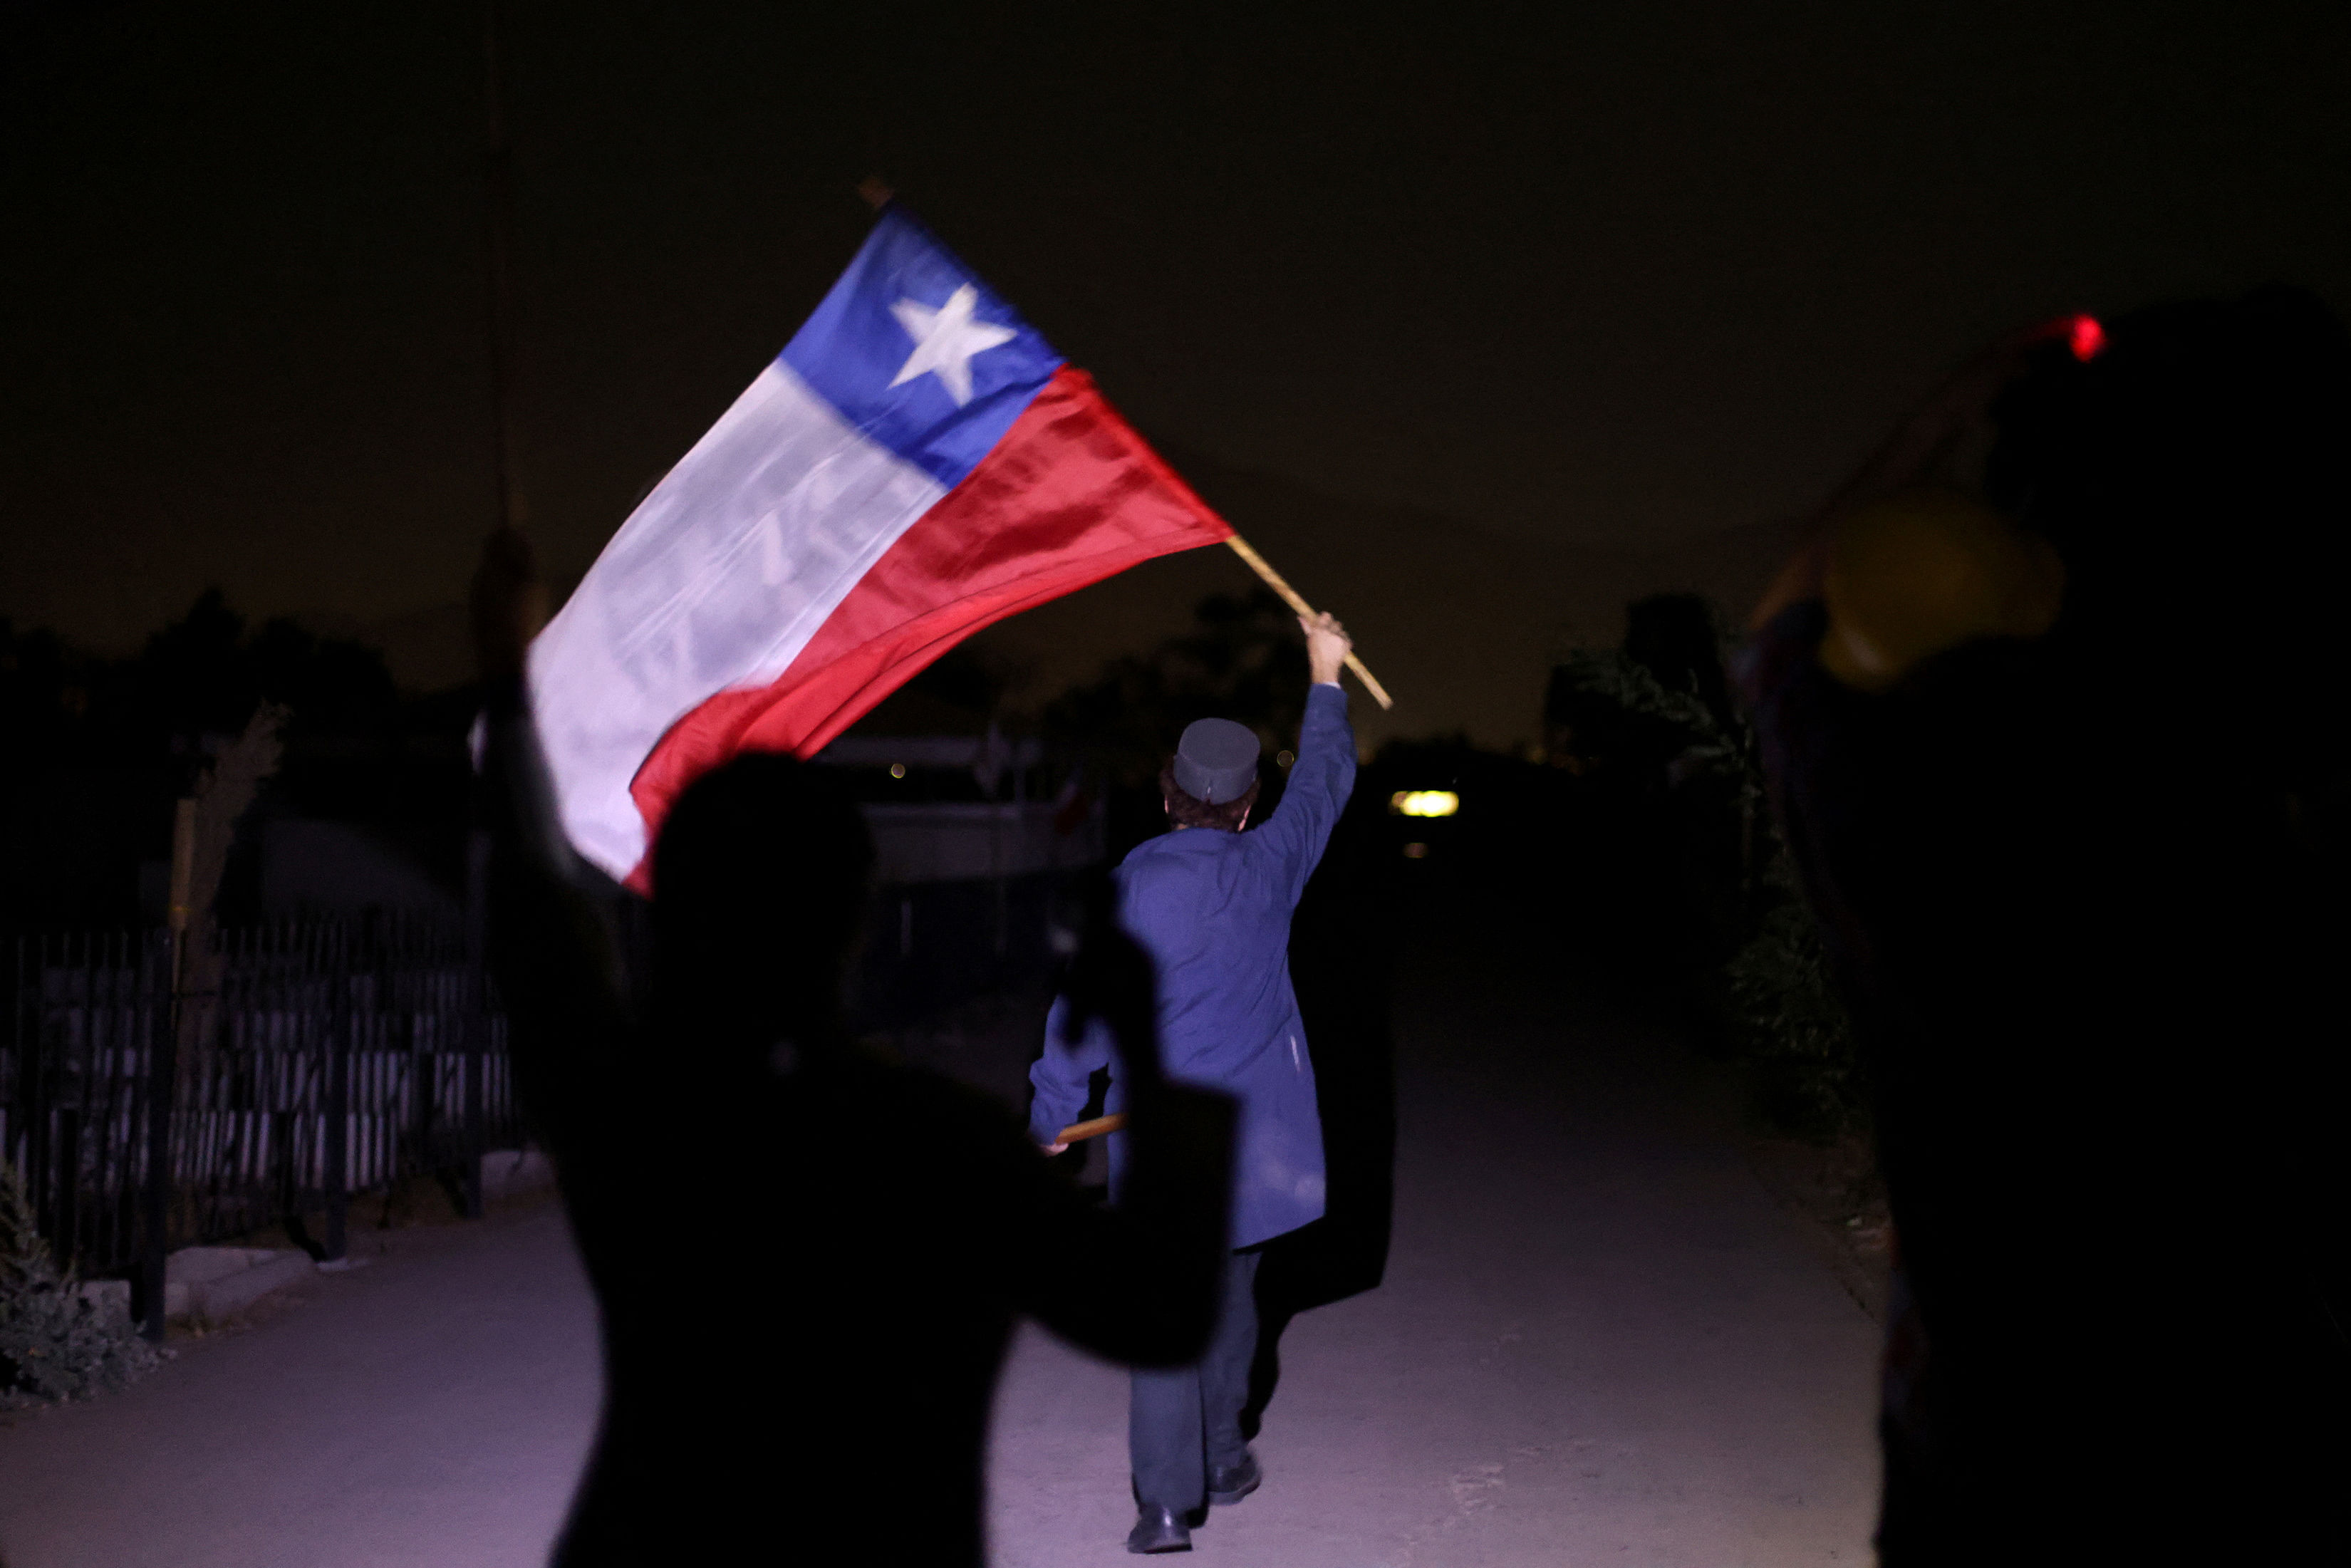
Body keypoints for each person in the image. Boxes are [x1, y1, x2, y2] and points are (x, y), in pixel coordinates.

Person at [468, 529, 1237, 1567]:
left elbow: (537, 923)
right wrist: (1145, 1043)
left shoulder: (639, 1121)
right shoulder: (946, 1147)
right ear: (856, 923)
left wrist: (509, 681)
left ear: (675, 912)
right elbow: (1161, 1312)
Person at [1737, 291, 2347, 1562]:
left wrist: (1948, 410)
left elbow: (1778, 633)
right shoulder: (2255, 828)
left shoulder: (1884, 807)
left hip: (1989, 1448)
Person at [1029, 611, 1359, 1554]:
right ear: (1248, 802)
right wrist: (1325, 673)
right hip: (1260, 1153)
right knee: (1233, 1296)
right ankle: (1223, 1454)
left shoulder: (1134, 888)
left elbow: (1080, 1020)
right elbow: (1326, 783)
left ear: (1168, 795)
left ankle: (1167, 1506)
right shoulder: (1273, 864)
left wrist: (1053, 1116)